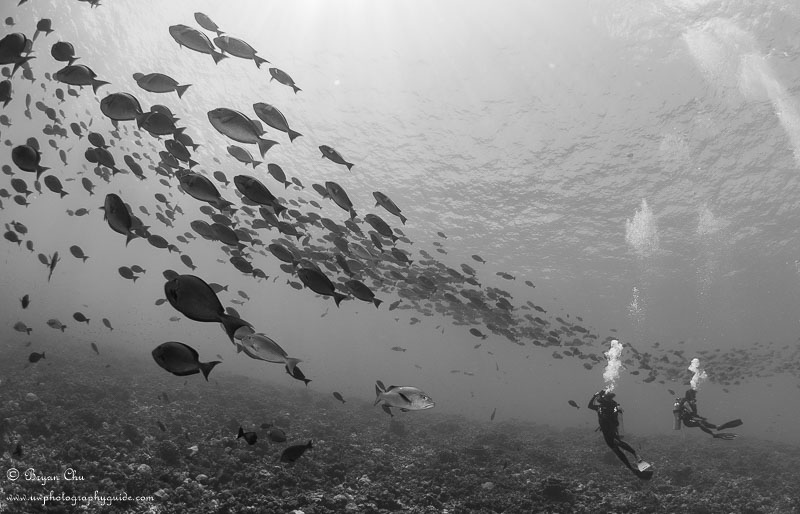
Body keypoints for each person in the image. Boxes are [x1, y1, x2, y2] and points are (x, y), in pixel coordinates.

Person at [588, 390, 652, 479]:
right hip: (609, 431)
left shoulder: (606, 406)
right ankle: (633, 464)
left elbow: (592, 405)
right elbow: (590, 406)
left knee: (617, 446)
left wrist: (596, 395)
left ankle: (635, 458)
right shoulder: (606, 406)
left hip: (609, 432)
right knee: (617, 448)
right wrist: (596, 396)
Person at [675, 389, 742, 439]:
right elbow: (692, 413)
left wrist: (701, 418)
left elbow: (693, 414)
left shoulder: (691, 402)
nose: (695, 396)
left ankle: (717, 427)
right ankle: (713, 434)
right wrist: (699, 417)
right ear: (691, 395)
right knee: (700, 423)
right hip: (687, 422)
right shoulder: (686, 403)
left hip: (690, 419)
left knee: (703, 422)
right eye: (694, 394)